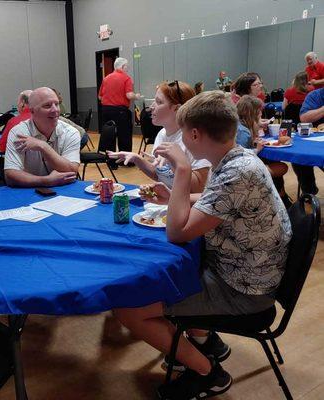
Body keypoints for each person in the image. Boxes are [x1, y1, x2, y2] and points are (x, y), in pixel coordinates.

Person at [115, 91, 292, 400]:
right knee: (162, 278)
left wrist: (182, 172)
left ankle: (208, 373)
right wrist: (175, 197)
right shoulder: (240, 158)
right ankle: (207, 341)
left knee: (128, 308)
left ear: (194, 134)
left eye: (184, 134)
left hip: (244, 293)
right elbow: (215, 200)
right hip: (245, 274)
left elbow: (177, 233)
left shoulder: (236, 173)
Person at [108, 80, 210, 193]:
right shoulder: (162, 134)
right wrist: (137, 159)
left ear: (177, 108)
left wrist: (174, 162)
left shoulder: (194, 138)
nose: (152, 106)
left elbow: (198, 189)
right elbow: (160, 176)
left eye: (159, 102)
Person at [4, 87, 80, 188]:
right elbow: (11, 175)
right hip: (28, 193)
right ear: (32, 111)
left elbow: (72, 170)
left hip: (65, 191)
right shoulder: (19, 132)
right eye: (47, 105)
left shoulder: (70, 132)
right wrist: (46, 181)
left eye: (57, 104)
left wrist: (44, 146)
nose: (55, 110)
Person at [236, 95, 291, 207]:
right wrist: (256, 149)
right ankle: (274, 198)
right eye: (259, 111)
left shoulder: (241, 127)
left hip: (243, 168)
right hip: (242, 171)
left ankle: (277, 197)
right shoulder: (243, 131)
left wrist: (254, 142)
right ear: (251, 112)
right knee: (282, 167)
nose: (261, 114)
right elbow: (239, 157)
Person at [98, 57, 141, 155]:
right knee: (124, 135)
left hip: (106, 110)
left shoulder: (106, 78)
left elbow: (100, 97)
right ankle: (124, 159)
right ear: (122, 66)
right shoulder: (126, 78)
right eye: (127, 66)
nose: (128, 68)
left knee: (109, 134)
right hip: (120, 111)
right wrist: (136, 96)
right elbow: (129, 95)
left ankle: (109, 159)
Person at [292, 87, 324, 195]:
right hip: (314, 142)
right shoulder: (315, 96)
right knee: (299, 157)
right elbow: (304, 118)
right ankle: (309, 193)